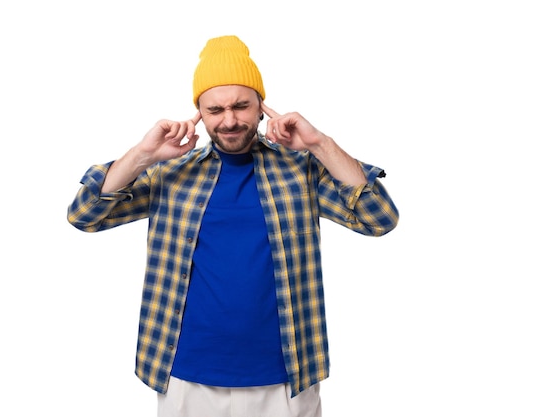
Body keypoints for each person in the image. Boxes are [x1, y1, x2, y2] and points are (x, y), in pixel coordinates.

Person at [67, 35, 399, 417]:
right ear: (199, 113)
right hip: (187, 375)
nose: (229, 120)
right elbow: (84, 214)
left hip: (285, 376)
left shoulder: (300, 169)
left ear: (261, 106)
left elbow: (380, 219)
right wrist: (143, 154)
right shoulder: (170, 172)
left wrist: (320, 144)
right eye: (215, 109)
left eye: (242, 105)